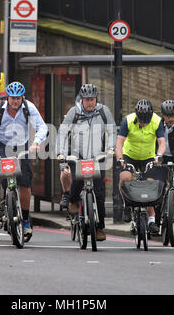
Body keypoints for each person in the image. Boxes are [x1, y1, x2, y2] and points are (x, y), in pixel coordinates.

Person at [0, 81, 48, 240]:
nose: (15, 101)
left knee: (24, 183)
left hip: (21, 145)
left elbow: (42, 127)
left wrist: (36, 142)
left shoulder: (29, 107)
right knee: (0, 170)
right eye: (12, 98)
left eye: (18, 98)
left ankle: (24, 221)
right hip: (0, 143)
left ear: (22, 97)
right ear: (7, 97)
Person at [57, 84, 116, 241]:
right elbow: (62, 133)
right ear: (81, 100)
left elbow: (112, 131)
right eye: (87, 100)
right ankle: (74, 202)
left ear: (96, 99)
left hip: (98, 158)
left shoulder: (104, 112)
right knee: (76, 181)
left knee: (99, 192)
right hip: (78, 156)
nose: (90, 103)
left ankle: (99, 228)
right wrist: (61, 153)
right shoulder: (73, 112)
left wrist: (111, 148)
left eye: (92, 99)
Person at [116, 99, 167, 235]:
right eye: (141, 121)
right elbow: (119, 143)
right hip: (129, 155)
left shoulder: (157, 121)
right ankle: (127, 205)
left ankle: (151, 219)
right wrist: (120, 159)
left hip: (148, 157)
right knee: (125, 178)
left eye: (146, 121)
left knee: (150, 185)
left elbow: (162, 143)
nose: (143, 124)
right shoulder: (127, 121)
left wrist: (159, 155)